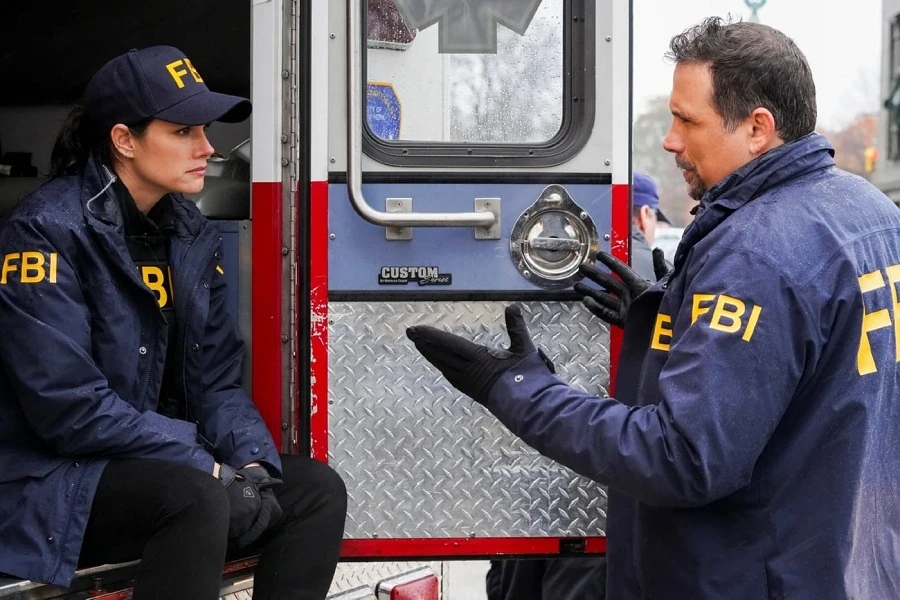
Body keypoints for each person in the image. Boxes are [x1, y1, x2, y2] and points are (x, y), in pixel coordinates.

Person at [406, 17, 900, 599]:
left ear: (757, 129)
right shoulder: (871, 213)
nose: (670, 140)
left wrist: (517, 389)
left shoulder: (755, 254)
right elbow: (808, 364)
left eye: (688, 121)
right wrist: (669, 313)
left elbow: (682, 457)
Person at [0, 46, 347, 600]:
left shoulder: (187, 232)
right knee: (196, 496)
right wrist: (207, 468)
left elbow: (215, 381)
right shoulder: (43, 231)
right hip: (47, 482)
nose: (207, 148)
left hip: (146, 464)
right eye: (184, 132)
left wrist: (251, 465)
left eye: (204, 131)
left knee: (314, 490)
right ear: (124, 140)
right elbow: (69, 408)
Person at [484, 172, 667, 600]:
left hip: (531, 449)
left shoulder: (527, 260)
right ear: (644, 215)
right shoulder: (663, 279)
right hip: (608, 470)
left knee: (515, 577)